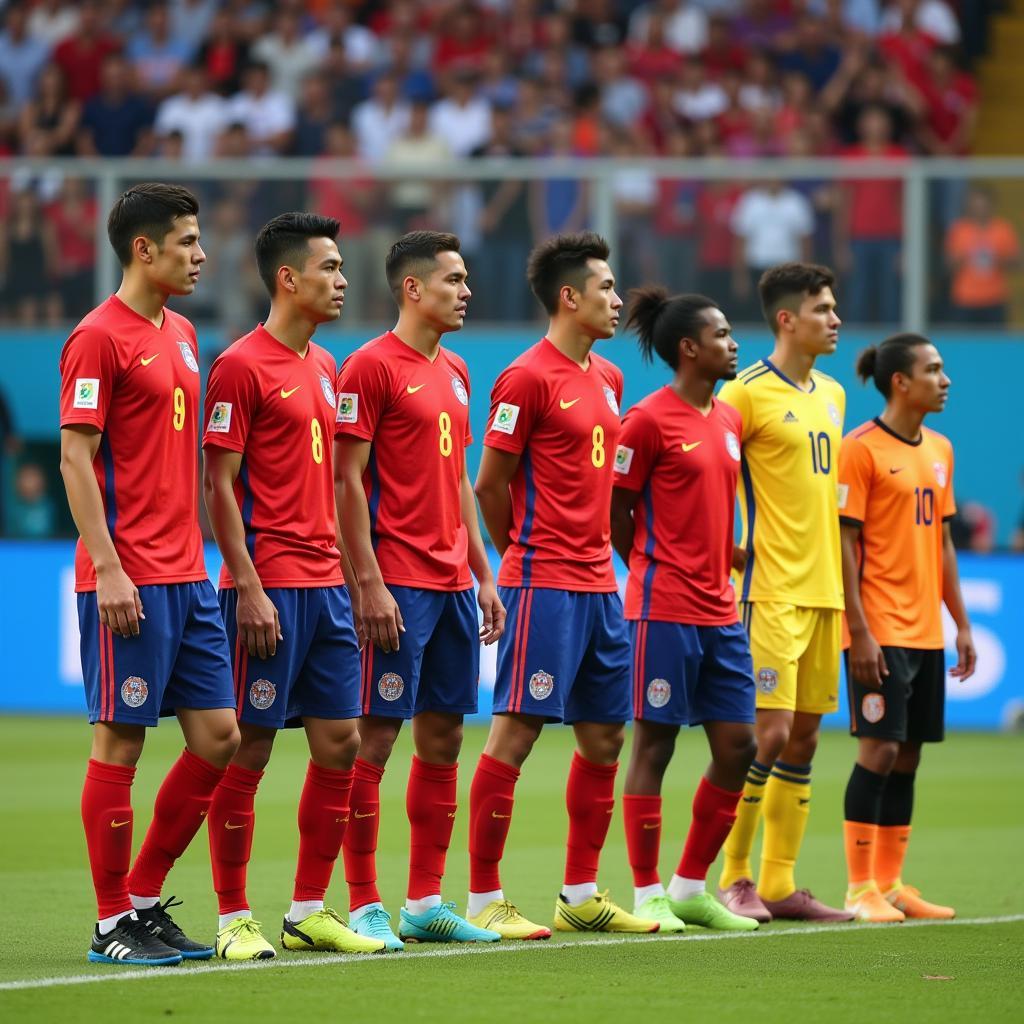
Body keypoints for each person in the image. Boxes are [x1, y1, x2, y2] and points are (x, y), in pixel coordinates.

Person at [58, 183, 240, 966]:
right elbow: (75, 456)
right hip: (127, 576)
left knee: (220, 736)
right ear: (144, 249)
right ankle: (109, 926)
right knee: (120, 743)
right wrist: (108, 567)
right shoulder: (96, 338)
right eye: (188, 242)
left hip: (188, 577)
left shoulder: (184, 333)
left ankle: (141, 896)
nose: (201, 256)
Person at [202, 213, 386, 960]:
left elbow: (342, 484)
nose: (343, 281)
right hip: (269, 587)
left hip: (328, 587)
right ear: (289, 278)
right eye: (331, 268)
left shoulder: (326, 366)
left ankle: (309, 907)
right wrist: (246, 586)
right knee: (248, 749)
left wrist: (354, 575)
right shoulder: (241, 365)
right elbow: (217, 484)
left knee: (340, 744)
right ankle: (231, 917)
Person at [466, 232, 653, 939]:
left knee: (605, 737)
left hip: (600, 586)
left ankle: (579, 893)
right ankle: (484, 897)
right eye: (606, 288)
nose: (618, 300)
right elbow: (490, 484)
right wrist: (520, 551)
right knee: (516, 733)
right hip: (543, 583)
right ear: (569, 297)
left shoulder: (607, 379)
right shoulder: (524, 378)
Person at [334, 231, 504, 949]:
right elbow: (344, 479)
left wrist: (484, 571)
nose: (466, 291)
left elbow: (461, 482)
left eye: (465, 280)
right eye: (454, 280)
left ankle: (425, 901)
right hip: (397, 584)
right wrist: (366, 582)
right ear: (412, 288)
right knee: (375, 737)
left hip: (451, 583)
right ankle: (366, 902)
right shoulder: (369, 368)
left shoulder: (459, 370)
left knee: (443, 736)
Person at [610, 289, 759, 933]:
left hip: (720, 611)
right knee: (656, 744)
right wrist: (649, 564)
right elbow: (618, 513)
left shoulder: (728, 420)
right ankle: (648, 894)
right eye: (723, 334)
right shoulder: (645, 420)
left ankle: (692, 886)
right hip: (663, 608)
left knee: (739, 745)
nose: (734, 344)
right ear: (689, 348)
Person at [715, 262, 853, 924]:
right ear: (787, 319)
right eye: (824, 309)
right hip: (768, 589)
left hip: (824, 590)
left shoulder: (832, 392)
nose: (836, 319)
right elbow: (710, 473)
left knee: (804, 739)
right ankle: (733, 875)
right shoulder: (743, 394)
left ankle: (779, 881)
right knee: (764, 736)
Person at [838, 334, 975, 922]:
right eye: (934, 370)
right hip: (880, 625)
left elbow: (942, 541)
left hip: (925, 629)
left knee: (910, 754)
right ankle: (858, 886)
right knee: (880, 747)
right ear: (901, 381)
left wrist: (961, 623)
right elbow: (843, 543)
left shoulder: (940, 448)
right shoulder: (861, 450)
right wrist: (859, 630)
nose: (945, 381)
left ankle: (892, 883)